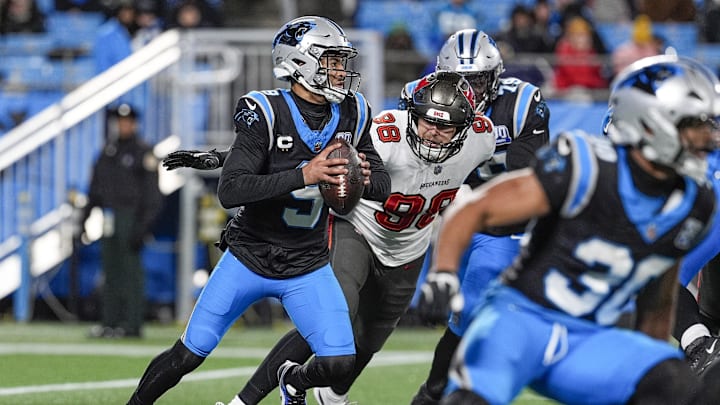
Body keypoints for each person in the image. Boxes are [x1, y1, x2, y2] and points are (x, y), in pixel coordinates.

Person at [164, 71, 498, 405]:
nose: (434, 133)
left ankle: (315, 390)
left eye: (446, 126)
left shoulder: (481, 140)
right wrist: (224, 158)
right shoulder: (387, 135)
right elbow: (298, 155)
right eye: (427, 121)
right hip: (357, 229)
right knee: (333, 317)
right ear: (412, 112)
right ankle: (244, 401)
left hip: (409, 248)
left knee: (368, 341)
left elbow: (515, 171)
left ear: (466, 127)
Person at [422, 54, 720, 404]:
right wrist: (443, 274)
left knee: (688, 387)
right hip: (521, 322)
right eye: (694, 125)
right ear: (649, 122)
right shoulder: (584, 164)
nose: (708, 137)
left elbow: (659, 294)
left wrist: (646, 362)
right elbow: (476, 208)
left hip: (591, 340)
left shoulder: (693, 200)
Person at [126, 15, 391, 405]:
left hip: (307, 263)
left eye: (341, 61)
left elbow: (382, 186)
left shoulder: (354, 112)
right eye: (332, 60)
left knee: (340, 362)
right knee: (187, 355)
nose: (341, 70)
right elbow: (232, 190)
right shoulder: (264, 110)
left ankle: (292, 382)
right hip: (249, 257)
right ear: (301, 63)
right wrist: (306, 175)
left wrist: (361, 179)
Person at [406, 28, 550, 405]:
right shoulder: (423, 98)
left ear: (494, 76)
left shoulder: (521, 101)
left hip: (503, 223)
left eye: (478, 79)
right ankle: (437, 391)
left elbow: (530, 166)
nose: (470, 87)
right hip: (440, 209)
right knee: (461, 312)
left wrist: (475, 157)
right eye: (460, 79)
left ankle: (435, 392)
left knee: (470, 314)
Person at [82, 103, 163, 339]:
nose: (123, 125)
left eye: (127, 121)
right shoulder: (108, 152)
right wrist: (85, 218)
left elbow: (152, 196)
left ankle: (132, 323)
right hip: (108, 216)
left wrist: (143, 225)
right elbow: (95, 189)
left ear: (134, 124)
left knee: (131, 272)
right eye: (120, 121)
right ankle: (110, 322)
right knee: (110, 271)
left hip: (131, 217)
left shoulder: (142, 152)